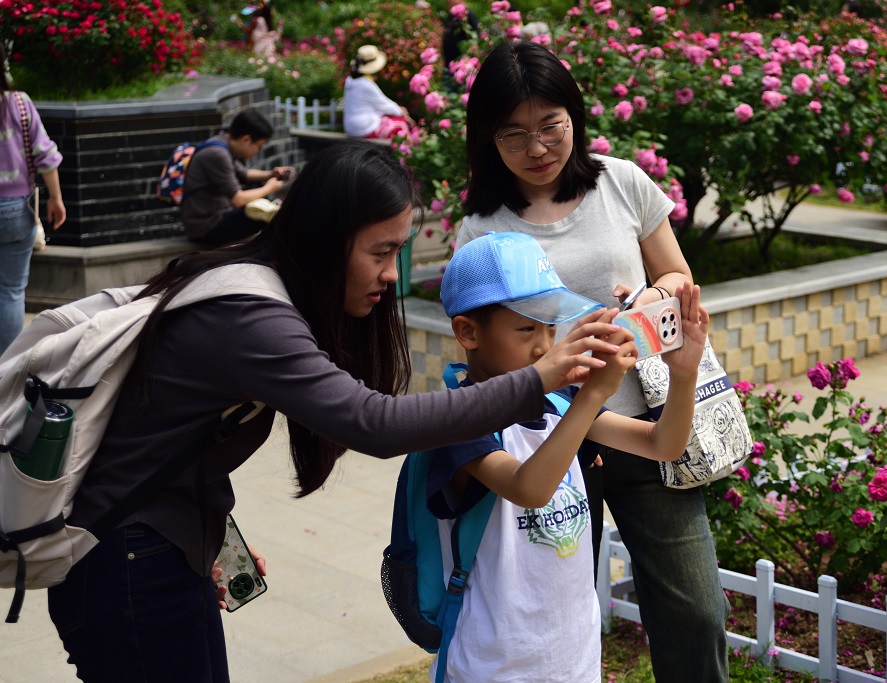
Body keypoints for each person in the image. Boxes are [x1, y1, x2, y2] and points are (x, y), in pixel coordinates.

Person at [46, 141, 623, 682]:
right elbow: (373, 423)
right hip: (123, 562)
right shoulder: (252, 316)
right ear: (326, 240)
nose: (393, 273)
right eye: (381, 251)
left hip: (155, 555)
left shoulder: (253, 293)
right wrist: (542, 377)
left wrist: (209, 533)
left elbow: (173, 435)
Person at [457, 40, 730, 681]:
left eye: (551, 126)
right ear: (488, 140)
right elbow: (486, 347)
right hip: (548, 441)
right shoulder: (480, 228)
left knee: (695, 608)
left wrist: (641, 306)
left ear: (574, 118)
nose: (538, 148)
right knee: (554, 615)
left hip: (642, 424)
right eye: (514, 135)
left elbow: (677, 277)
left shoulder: (622, 182)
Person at [427, 231, 709, 683]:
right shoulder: (458, 422)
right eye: (525, 329)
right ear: (468, 332)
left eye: (550, 328)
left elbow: (664, 445)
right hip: (494, 662)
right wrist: (592, 393)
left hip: (572, 653)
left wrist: (684, 372)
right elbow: (529, 489)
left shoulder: (559, 404)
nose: (545, 346)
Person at [0, 42, 66, 354]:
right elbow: (45, 155)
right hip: (16, 210)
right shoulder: (19, 103)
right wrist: (55, 198)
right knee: (12, 292)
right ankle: (7, 368)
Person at [180, 109, 295, 246]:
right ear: (246, 139)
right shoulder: (217, 154)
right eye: (259, 146)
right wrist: (269, 188)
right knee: (261, 215)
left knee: (257, 190)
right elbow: (238, 200)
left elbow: (244, 174)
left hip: (213, 216)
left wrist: (271, 174)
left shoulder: (221, 144)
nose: (258, 150)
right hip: (205, 228)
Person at [343, 45, 415, 140]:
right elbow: (384, 104)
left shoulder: (350, 81)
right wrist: (401, 111)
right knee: (401, 124)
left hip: (351, 128)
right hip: (363, 128)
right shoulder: (366, 84)